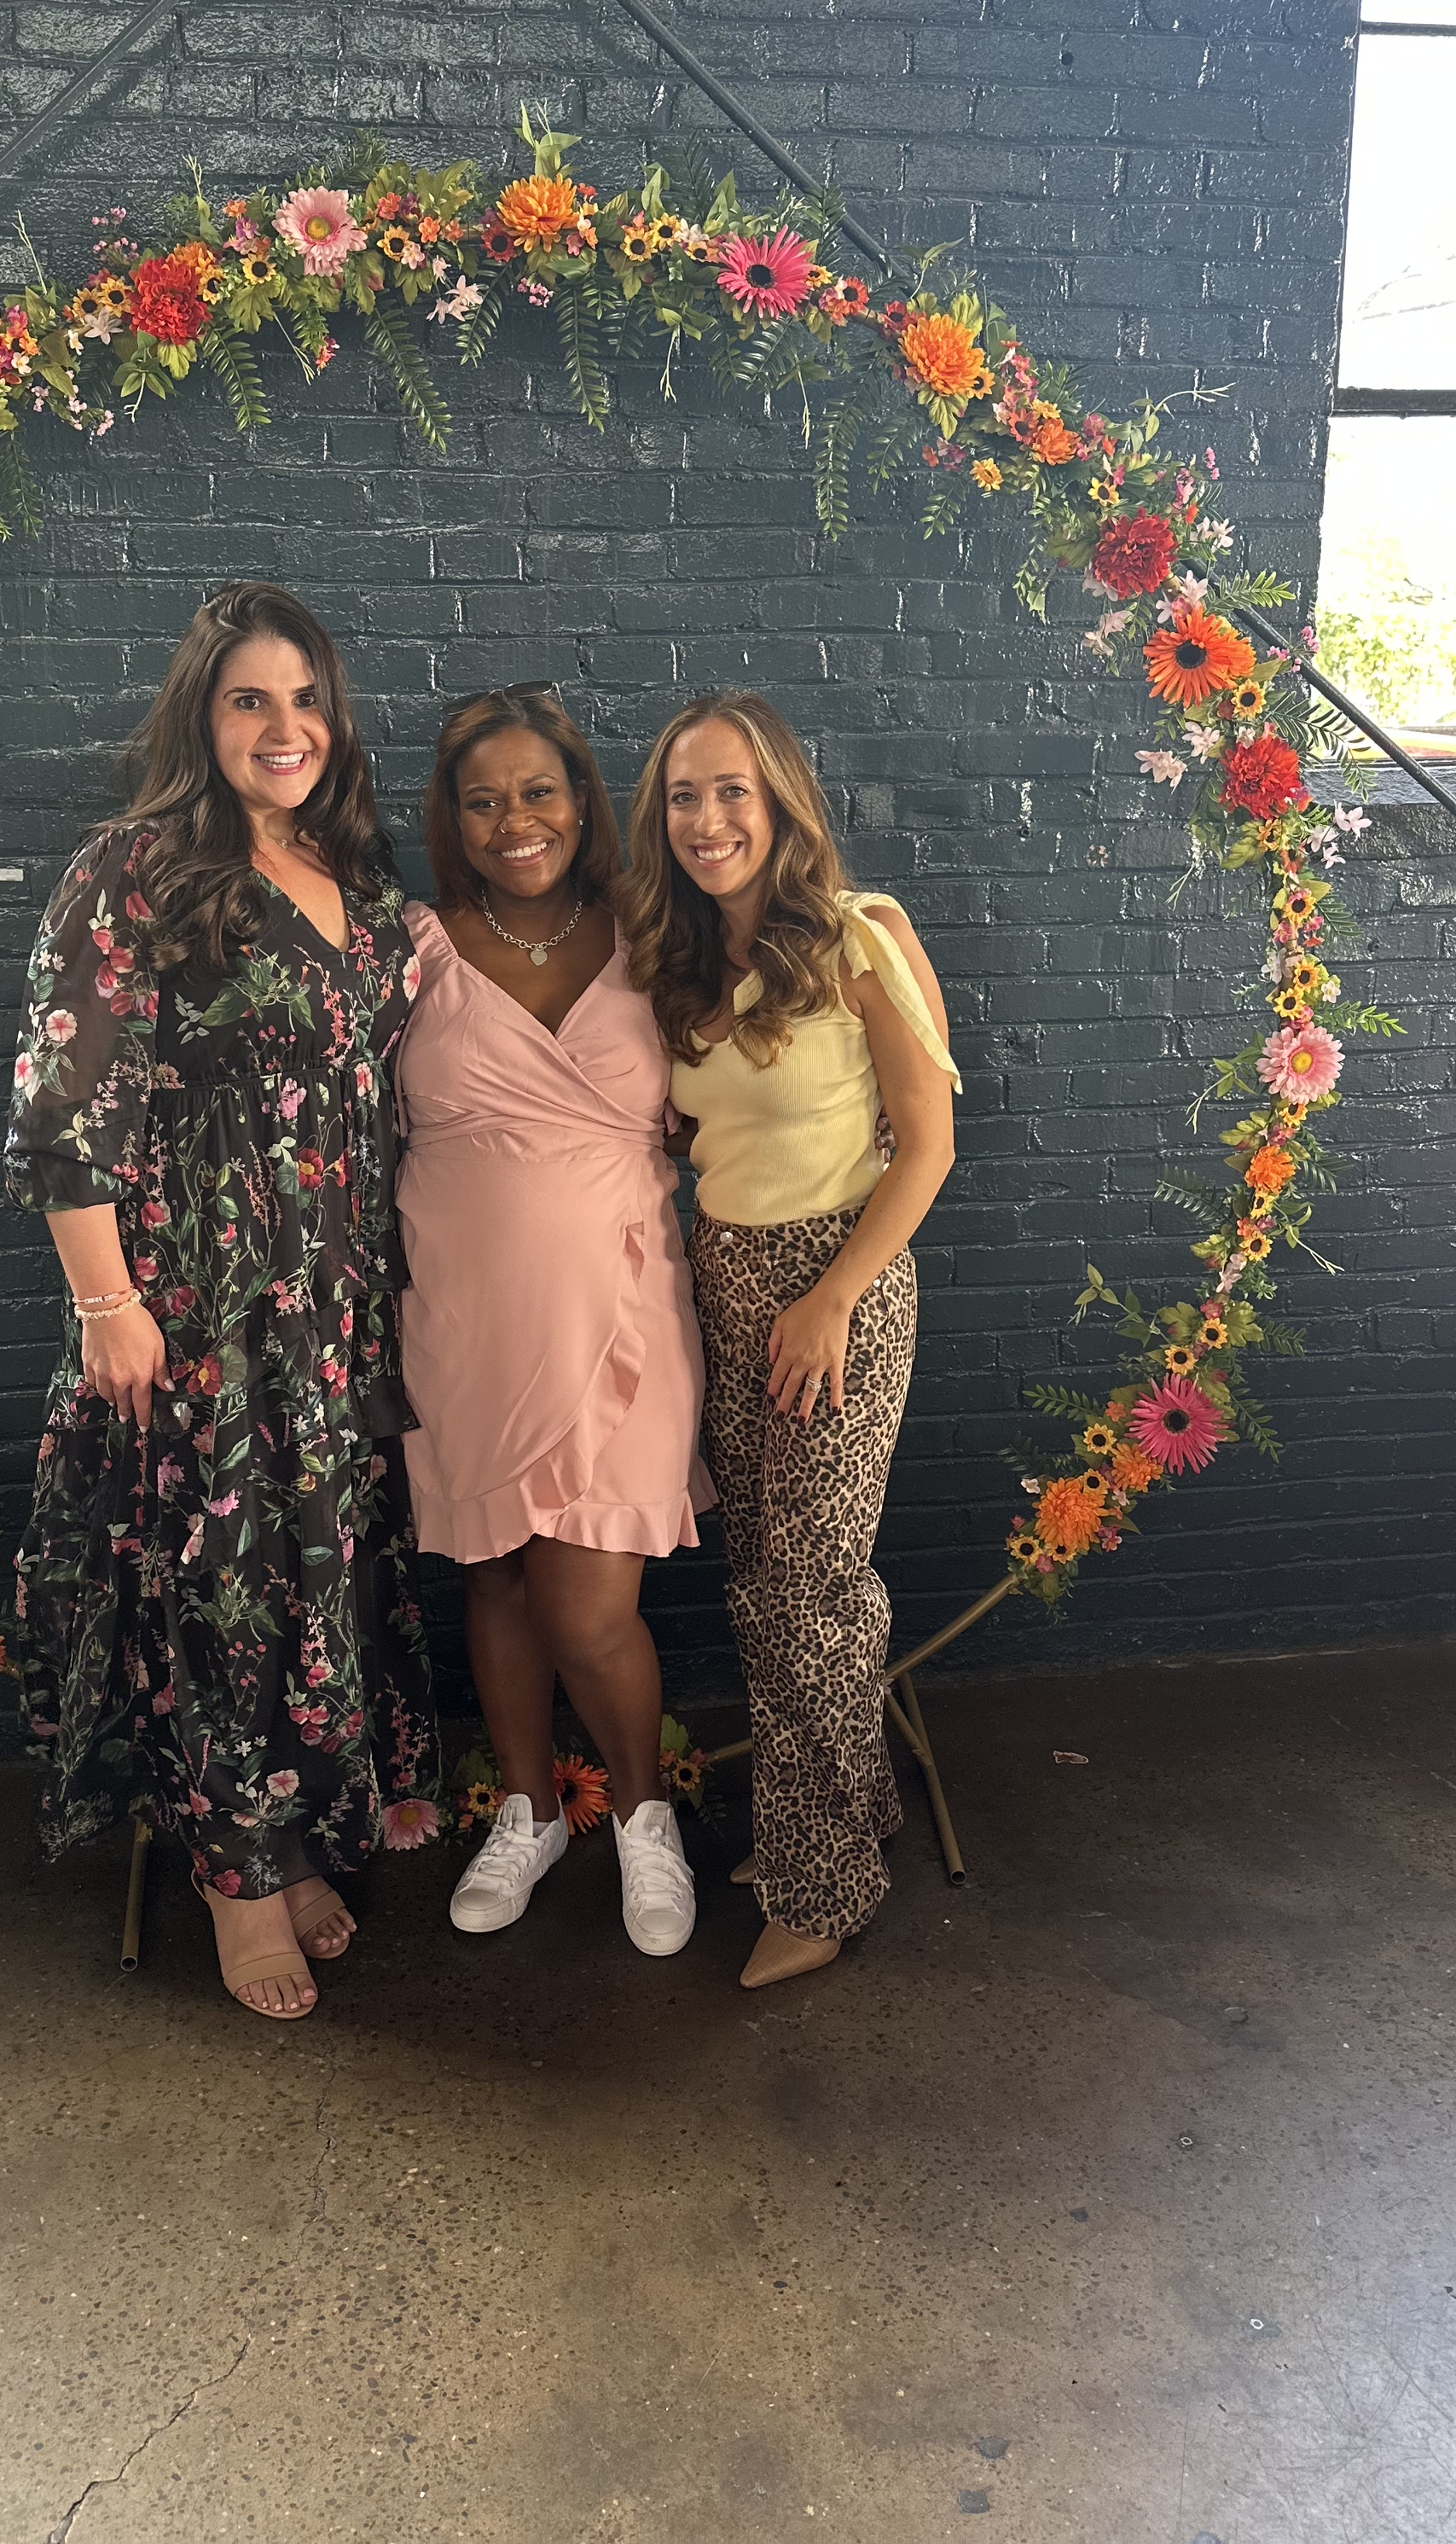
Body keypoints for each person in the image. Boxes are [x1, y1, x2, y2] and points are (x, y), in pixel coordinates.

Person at [5, 581, 436, 2023]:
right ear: (203, 712)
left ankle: (292, 1835)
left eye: (307, 698)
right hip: (196, 1306)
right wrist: (103, 1305)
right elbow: (63, 1108)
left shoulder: (356, 880)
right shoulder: (131, 870)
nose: (285, 725)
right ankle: (232, 1874)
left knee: (318, 1582)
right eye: (252, 697)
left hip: (336, 1309)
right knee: (217, 1590)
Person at [622, 690, 959, 1991]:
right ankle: (838, 1815)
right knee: (766, 1580)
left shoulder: (865, 938)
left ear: (781, 804)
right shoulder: (685, 962)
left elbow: (927, 1144)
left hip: (842, 1282)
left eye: (733, 792)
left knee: (811, 1591)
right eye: (684, 797)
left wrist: (830, 1300)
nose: (708, 820)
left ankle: (825, 1889)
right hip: (725, 1282)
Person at [397, 684, 711, 1957]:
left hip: (627, 1313)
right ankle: (526, 1808)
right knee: (498, 1580)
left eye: (538, 792)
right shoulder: (409, 946)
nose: (514, 821)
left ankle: (642, 1813)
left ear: (584, 802)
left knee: (586, 1605)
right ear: (453, 820)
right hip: (463, 1319)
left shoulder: (658, 934)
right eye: (484, 801)